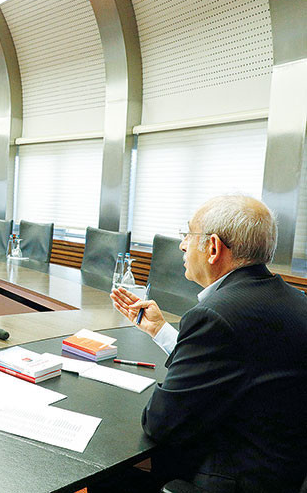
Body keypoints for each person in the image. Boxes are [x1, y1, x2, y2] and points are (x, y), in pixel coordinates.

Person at [103, 195, 307, 493]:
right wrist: (160, 330)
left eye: (188, 234)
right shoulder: (296, 300)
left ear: (213, 248)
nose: (182, 245)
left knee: (111, 479)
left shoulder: (216, 315)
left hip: (230, 478)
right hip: (282, 472)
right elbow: (237, 365)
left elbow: (160, 423)